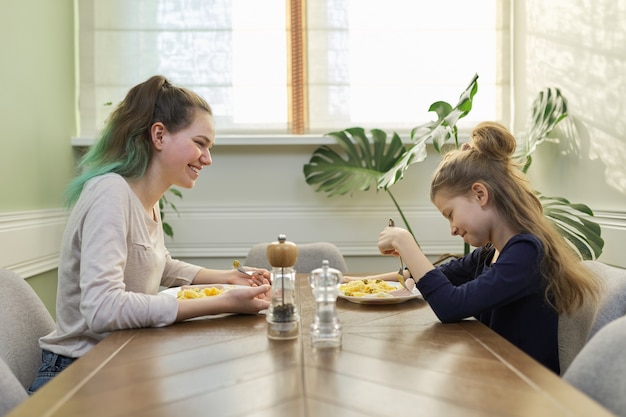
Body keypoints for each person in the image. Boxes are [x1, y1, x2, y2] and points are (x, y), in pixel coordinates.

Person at [29, 75, 271, 393]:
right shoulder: (110, 193)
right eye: (200, 143)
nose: (208, 159)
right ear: (159, 135)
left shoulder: (145, 200)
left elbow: (159, 263)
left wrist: (229, 278)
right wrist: (222, 302)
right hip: (77, 375)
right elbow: (102, 308)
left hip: (116, 362)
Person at [347, 121, 600, 374]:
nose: (452, 228)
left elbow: (450, 306)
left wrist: (405, 242)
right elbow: (430, 277)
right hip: (493, 372)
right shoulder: (491, 253)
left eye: (450, 214)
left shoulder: (527, 253)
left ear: (480, 194)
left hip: (525, 390)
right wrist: (354, 283)